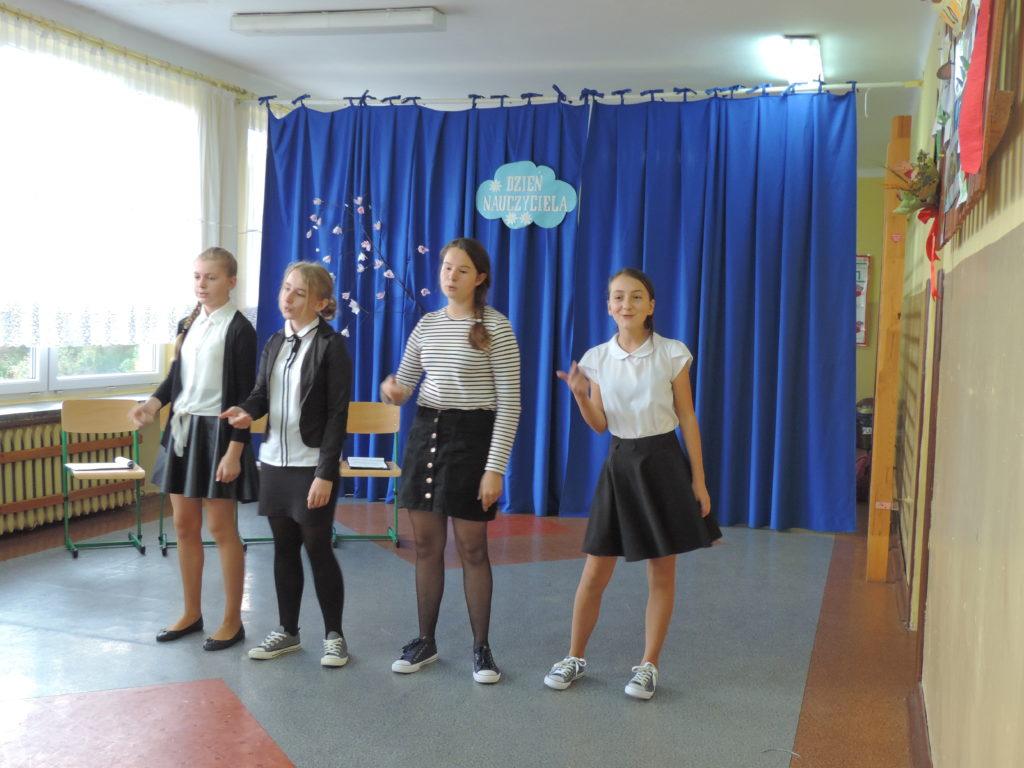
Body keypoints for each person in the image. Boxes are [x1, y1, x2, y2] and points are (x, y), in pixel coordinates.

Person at [543, 267, 721, 700]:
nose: (627, 304)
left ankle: (648, 665)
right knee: (594, 571)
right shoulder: (597, 358)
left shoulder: (673, 353)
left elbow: (687, 417)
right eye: (619, 297)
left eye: (637, 296)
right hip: (620, 464)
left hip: (664, 463)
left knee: (661, 571)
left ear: (651, 305)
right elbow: (600, 424)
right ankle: (574, 656)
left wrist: (699, 480)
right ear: (608, 306)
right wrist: (580, 395)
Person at [380, 237, 521, 684]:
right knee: (426, 546)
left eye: (461, 270)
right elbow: (405, 384)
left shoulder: (497, 327)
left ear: (480, 278)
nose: (450, 276)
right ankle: (426, 641)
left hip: (473, 439)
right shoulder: (427, 324)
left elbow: (510, 405)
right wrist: (392, 391)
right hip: (427, 435)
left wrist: (494, 468)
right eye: (446, 268)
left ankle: (482, 649)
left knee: (473, 549)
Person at [221, 262, 352, 668]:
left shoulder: (331, 346)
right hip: (274, 461)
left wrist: (325, 473)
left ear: (321, 302)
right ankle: (288, 631)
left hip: (311, 464)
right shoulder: (276, 341)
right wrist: (246, 411)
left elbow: (337, 415)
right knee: (283, 548)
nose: (287, 298)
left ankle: (335, 635)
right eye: (286, 288)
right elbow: (261, 393)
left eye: (299, 292)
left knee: (317, 548)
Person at [129, 247, 257, 652]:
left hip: (218, 434)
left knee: (221, 529)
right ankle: (191, 612)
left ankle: (232, 620)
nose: (202, 284)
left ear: (231, 282)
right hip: (182, 429)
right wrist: (153, 404)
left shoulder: (239, 329)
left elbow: (246, 397)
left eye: (211, 277)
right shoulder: (188, 321)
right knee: (184, 526)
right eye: (197, 276)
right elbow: (176, 377)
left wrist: (234, 452)